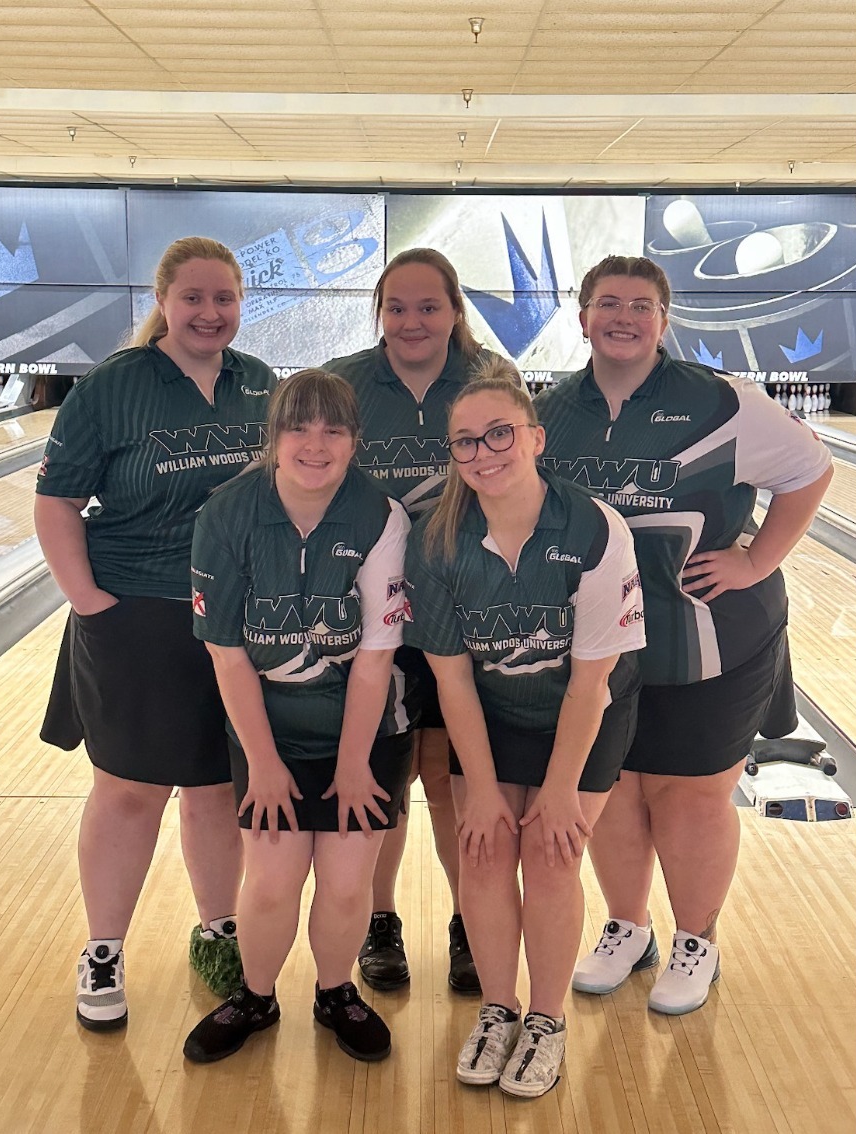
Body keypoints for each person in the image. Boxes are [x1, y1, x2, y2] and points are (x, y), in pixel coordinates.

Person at [534, 254, 833, 1016]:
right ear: (583, 316)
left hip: (713, 635)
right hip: (602, 649)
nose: (623, 316)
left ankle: (695, 938)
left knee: (692, 798)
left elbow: (811, 469)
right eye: (608, 303)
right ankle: (627, 927)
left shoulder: (719, 402)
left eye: (640, 304)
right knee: (616, 790)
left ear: (664, 321)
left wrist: (756, 558)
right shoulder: (554, 411)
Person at [34, 236, 278, 1031]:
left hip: (235, 620)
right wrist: (93, 607)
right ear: (165, 302)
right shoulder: (114, 387)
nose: (210, 313)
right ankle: (103, 947)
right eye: (194, 298)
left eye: (225, 299)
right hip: (135, 609)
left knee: (215, 789)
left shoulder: (259, 385)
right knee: (131, 789)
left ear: (241, 303)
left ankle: (219, 930)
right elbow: (56, 504)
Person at [404, 362, 646, 1097]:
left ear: (535, 438)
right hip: (493, 711)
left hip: (586, 713)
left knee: (549, 853)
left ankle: (546, 1020)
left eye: (500, 433)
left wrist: (562, 789)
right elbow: (450, 679)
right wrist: (479, 789)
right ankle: (497, 1009)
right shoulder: (438, 541)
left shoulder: (596, 528)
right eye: (466, 442)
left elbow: (591, 681)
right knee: (481, 851)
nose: (484, 452)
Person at [181, 369, 414, 1065]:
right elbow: (228, 658)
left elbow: (374, 661)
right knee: (273, 879)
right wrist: (265, 765)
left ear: (354, 441)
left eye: (333, 429)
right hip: (267, 732)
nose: (316, 443)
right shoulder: (225, 515)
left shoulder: (381, 517)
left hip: (367, 732)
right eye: (298, 427)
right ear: (272, 438)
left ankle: (336, 992)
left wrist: (350, 766)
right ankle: (255, 996)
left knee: (347, 883)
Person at [325, 247, 506, 995]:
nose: (412, 321)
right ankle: (380, 921)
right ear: (379, 312)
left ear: (455, 310)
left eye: (429, 306)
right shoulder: (344, 382)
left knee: (453, 776)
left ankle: (469, 921)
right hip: (374, 614)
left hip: (470, 609)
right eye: (396, 307)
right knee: (388, 774)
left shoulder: (492, 379)